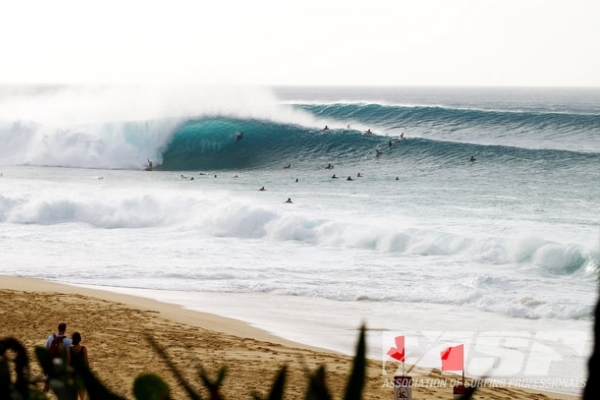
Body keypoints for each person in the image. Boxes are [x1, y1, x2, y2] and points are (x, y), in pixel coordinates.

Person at [44, 322, 72, 393]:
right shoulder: (67, 341)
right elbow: (68, 357)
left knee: (47, 385)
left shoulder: (50, 338)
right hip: (61, 366)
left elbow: (46, 351)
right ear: (65, 329)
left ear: (58, 328)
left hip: (52, 364)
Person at [70, 332, 89, 400]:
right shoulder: (83, 349)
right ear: (79, 339)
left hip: (72, 373)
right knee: (81, 390)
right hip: (81, 372)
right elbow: (86, 362)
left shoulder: (69, 349)